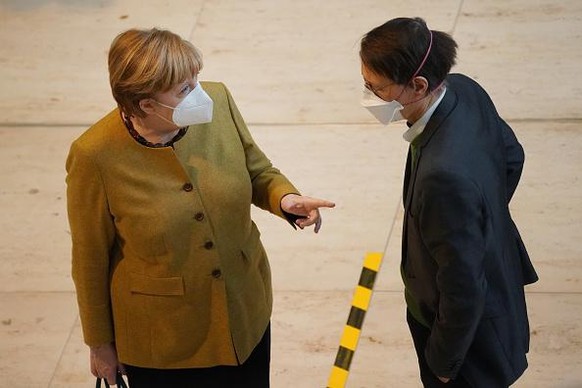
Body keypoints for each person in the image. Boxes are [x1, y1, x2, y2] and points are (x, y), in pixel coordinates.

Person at [65, 27, 335, 388]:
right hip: (163, 340)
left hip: (242, 314)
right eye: (184, 89)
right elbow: (89, 258)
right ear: (146, 104)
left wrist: (284, 199)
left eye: (197, 79)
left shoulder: (219, 102)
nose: (200, 93)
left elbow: (257, 170)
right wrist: (99, 344)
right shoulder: (94, 156)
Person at [359, 17, 538, 387]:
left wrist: (443, 362)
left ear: (418, 84)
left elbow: (463, 289)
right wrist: (482, 218)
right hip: (497, 287)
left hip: (464, 344)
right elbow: (512, 156)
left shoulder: (444, 178)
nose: (370, 97)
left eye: (376, 88)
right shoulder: (464, 89)